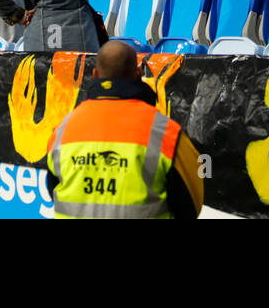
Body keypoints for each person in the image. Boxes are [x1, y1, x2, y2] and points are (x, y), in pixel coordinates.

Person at [44, 39, 204, 219]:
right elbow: (191, 205)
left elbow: (53, 189)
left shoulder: (63, 130)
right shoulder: (166, 133)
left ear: (95, 75)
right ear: (138, 74)